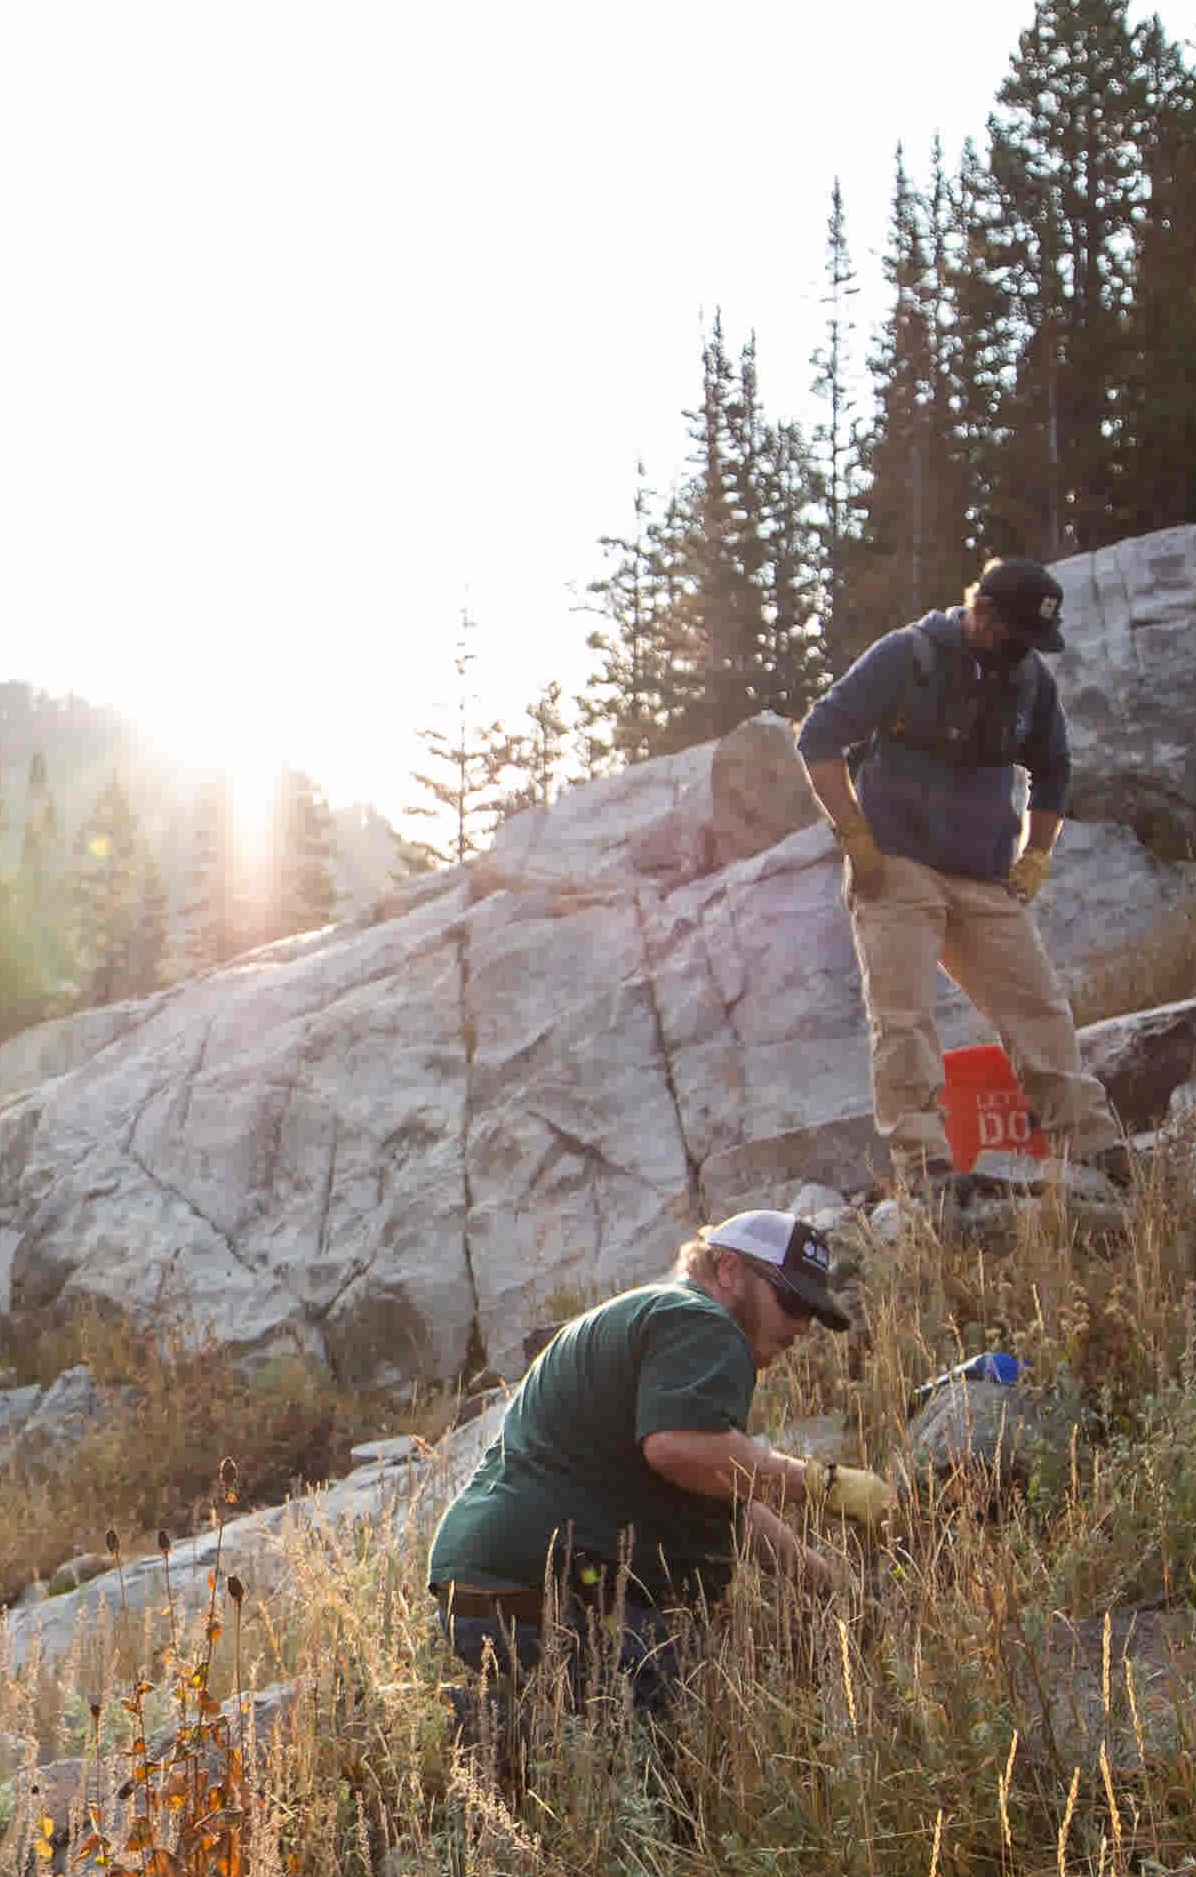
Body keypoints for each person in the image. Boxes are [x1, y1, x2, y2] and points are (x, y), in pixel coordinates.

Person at [428, 1210, 885, 1742]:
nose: (801, 1325)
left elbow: (727, 1497)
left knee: (630, 1718)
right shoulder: (703, 1323)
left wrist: (827, 1586)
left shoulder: (662, 1322)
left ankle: (493, 1732)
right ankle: (471, 1736)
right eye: (790, 1301)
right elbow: (681, 1449)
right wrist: (821, 1483)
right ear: (729, 1270)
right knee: (655, 1746)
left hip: (488, 1591)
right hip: (535, 1591)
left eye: (812, 1310)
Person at [797, 557, 1130, 1191]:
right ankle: (924, 1167)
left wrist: (1036, 854)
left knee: (1038, 1007)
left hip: (983, 878)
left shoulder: (1031, 682)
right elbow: (818, 737)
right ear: (982, 614)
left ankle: (1089, 1144)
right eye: (1017, 636)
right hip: (895, 867)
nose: (1026, 653)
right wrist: (854, 834)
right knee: (903, 1018)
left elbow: (1053, 771)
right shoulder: (908, 655)